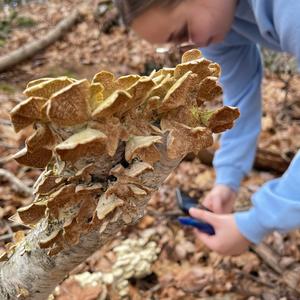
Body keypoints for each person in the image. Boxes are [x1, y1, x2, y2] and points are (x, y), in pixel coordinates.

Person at [114, 0, 300, 255]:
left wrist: (256, 222)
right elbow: (239, 100)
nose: (191, 44)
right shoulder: (219, 23)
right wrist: (227, 180)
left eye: (182, 31)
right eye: (173, 43)